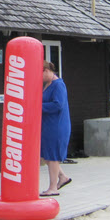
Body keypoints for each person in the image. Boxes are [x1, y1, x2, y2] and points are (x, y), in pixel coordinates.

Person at [40, 61, 73, 196]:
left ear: (47, 71)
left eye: (40, 74)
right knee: (48, 156)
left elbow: (58, 105)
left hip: (57, 126)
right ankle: (62, 177)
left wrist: (38, 107)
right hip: (49, 125)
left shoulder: (58, 85)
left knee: (52, 156)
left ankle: (53, 187)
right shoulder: (47, 84)